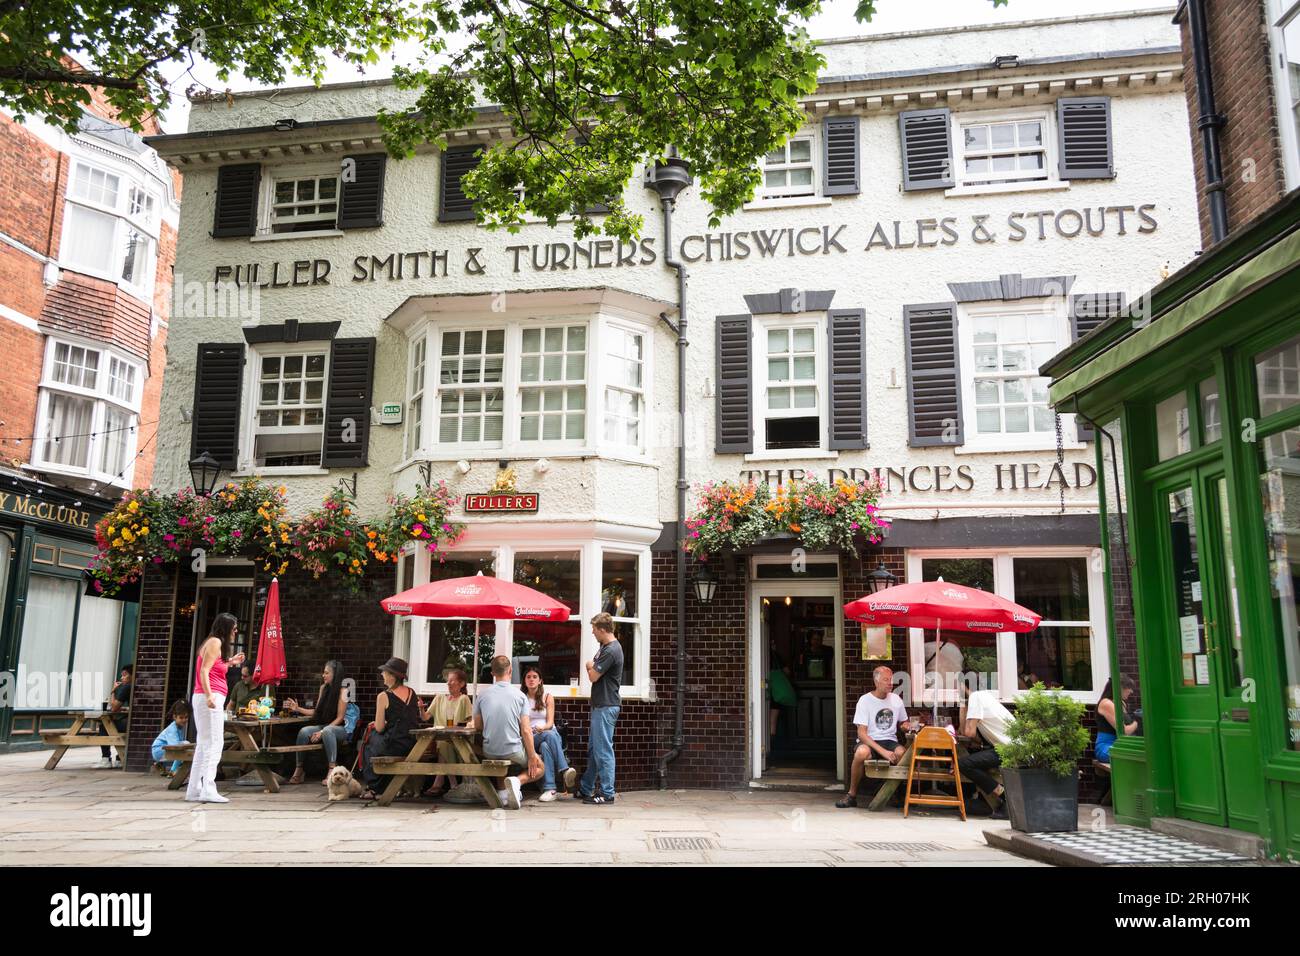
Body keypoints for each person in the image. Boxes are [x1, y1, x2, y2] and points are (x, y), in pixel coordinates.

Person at [837, 665, 915, 808]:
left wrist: (905, 726)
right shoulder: (865, 700)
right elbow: (862, 734)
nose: (890, 683)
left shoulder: (896, 699)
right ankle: (851, 795)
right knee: (861, 752)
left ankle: (894, 793)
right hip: (869, 740)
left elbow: (904, 722)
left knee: (902, 754)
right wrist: (883, 752)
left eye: (891, 679)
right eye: (886, 680)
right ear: (876, 682)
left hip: (890, 740)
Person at [472, 656, 544, 810]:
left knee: (493, 755)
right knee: (540, 767)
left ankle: (504, 794)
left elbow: (477, 726)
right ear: (510, 671)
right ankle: (517, 781)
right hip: (513, 750)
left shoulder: (482, 695)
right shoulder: (520, 696)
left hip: (489, 750)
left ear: (492, 673)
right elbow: (525, 730)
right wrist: (532, 756)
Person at [188, 613, 244, 803]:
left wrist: (231, 662)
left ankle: (194, 789)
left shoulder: (211, 642)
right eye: (234, 629)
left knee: (204, 744)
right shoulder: (215, 643)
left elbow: (211, 667)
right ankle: (208, 789)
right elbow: (204, 671)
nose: (235, 633)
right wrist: (210, 694)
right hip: (209, 697)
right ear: (226, 628)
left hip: (203, 696)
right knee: (215, 742)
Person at [358, 658, 424, 800]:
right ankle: (384, 786)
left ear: (392, 676)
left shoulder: (383, 696)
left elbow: (380, 727)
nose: (382, 674)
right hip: (411, 743)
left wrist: (376, 723)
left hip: (394, 743)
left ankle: (375, 788)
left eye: (384, 672)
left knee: (369, 743)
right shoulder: (412, 692)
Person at [578, 612, 623, 805]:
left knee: (603, 750)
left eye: (595, 630)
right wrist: (593, 666)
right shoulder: (604, 647)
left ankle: (607, 793)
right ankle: (586, 788)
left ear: (603, 630)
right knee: (596, 749)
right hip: (601, 705)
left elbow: (593, 676)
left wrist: (589, 665)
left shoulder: (611, 650)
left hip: (606, 706)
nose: (593, 633)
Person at [285, 660, 352, 785]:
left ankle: (332, 768)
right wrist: (297, 709)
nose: (323, 675)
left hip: (339, 729)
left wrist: (321, 731)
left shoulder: (344, 691)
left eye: (326, 673)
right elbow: (317, 712)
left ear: (335, 675)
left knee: (327, 730)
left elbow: (340, 718)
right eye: (323, 673)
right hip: (324, 726)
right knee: (304, 731)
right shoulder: (323, 688)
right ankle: (299, 769)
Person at [521, 664, 578, 802]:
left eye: (535, 677)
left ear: (540, 681)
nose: (531, 679)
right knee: (550, 735)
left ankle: (550, 789)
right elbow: (522, 725)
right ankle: (564, 770)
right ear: (524, 681)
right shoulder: (521, 698)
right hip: (531, 737)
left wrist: (543, 728)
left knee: (547, 743)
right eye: (528, 677)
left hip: (547, 734)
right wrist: (535, 730)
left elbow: (550, 723)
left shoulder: (547, 697)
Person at [957, 688, 1013, 818]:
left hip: (1008, 749)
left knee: (965, 764)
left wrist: (962, 705)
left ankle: (1006, 798)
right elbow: (970, 734)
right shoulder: (984, 697)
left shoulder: (976, 697)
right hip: (1006, 747)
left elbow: (968, 733)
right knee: (970, 762)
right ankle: (1002, 800)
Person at [423, 667, 474, 798]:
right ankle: (452, 785)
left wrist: (458, 726)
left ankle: (443, 783)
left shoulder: (464, 699)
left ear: (461, 684)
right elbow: (425, 717)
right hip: (439, 739)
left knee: (444, 745)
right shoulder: (439, 698)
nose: (448, 683)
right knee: (442, 743)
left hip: (458, 740)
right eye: (448, 681)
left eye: (452, 680)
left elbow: (470, 722)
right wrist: (420, 709)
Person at [1095, 676, 1138, 764]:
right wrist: (1137, 722)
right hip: (1107, 747)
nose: (1131, 691)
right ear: (1120, 688)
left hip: (1121, 745)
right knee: (1134, 757)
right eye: (1129, 688)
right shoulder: (1106, 703)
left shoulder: (1121, 703)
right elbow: (1124, 731)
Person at [98, 664, 133, 767]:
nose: (121, 678)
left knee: (104, 726)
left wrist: (113, 691)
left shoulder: (127, 687)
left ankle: (106, 759)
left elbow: (113, 708)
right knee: (115, 724)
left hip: (131, 724)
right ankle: (119, 758)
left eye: (124, 675)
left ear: (132, 675)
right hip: (139, 722)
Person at [150, 700, 191, 776]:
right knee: (184, 746)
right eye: (181, 717)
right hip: (158, 750)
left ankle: (161, 765)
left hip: (161, 749)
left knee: (184, 746)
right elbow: (175, 747)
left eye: (186, 717)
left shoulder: (179, 727)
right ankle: (173, 771)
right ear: (174, 717)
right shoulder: (173, 729)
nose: (184, 720)